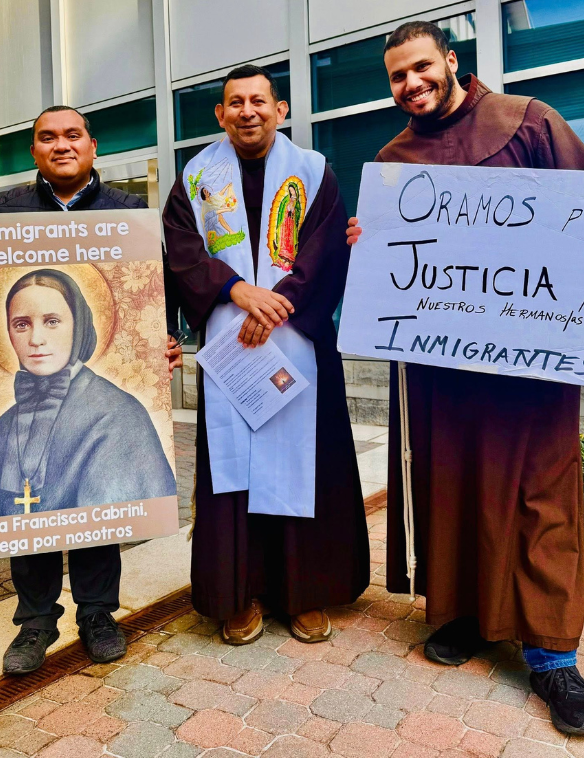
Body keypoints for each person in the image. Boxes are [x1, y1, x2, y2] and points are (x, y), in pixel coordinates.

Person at [346, 22, 584, 735]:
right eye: (398, 76)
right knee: (452, 486)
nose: (411, 85)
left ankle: (553, 656)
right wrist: (367, 245)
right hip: (442, 368)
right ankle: (466, 614)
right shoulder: (393, 159)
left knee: (539, 496)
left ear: (452, 62)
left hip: (528, 370)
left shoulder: (529, 122)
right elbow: (389, 266)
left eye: (422, 68)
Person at [0, 106, 185, 674]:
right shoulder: (6, 210)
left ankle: (97, 613)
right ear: (34, 151)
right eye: (47, 138)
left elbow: (158, 290)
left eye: (72, 135)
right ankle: (36, 620)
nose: (61, 145)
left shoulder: (125, 212)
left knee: (98, 511)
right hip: (20, 417)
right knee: (26, 512)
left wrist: (162, 340)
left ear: (93, 145)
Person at [163, 65, 368, 645]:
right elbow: (181, 253)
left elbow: (327, 249)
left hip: (297, 342)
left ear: (280, 110)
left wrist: (277, 306)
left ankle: (304, 594)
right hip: (230, 345)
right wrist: (238, 293)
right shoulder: (195, 178)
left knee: (307, 466)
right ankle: (239, 594)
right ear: (220, 115)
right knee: (234, 477)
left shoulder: (314, 171)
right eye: (235, 103)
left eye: (258, 101)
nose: (246, 111)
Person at [0, 269, 175, 520]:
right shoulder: (4, 426)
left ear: (78, 325)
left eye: (52, 321)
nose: (36, 339)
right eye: (21, 324)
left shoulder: (118, 414)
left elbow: (109, 522)